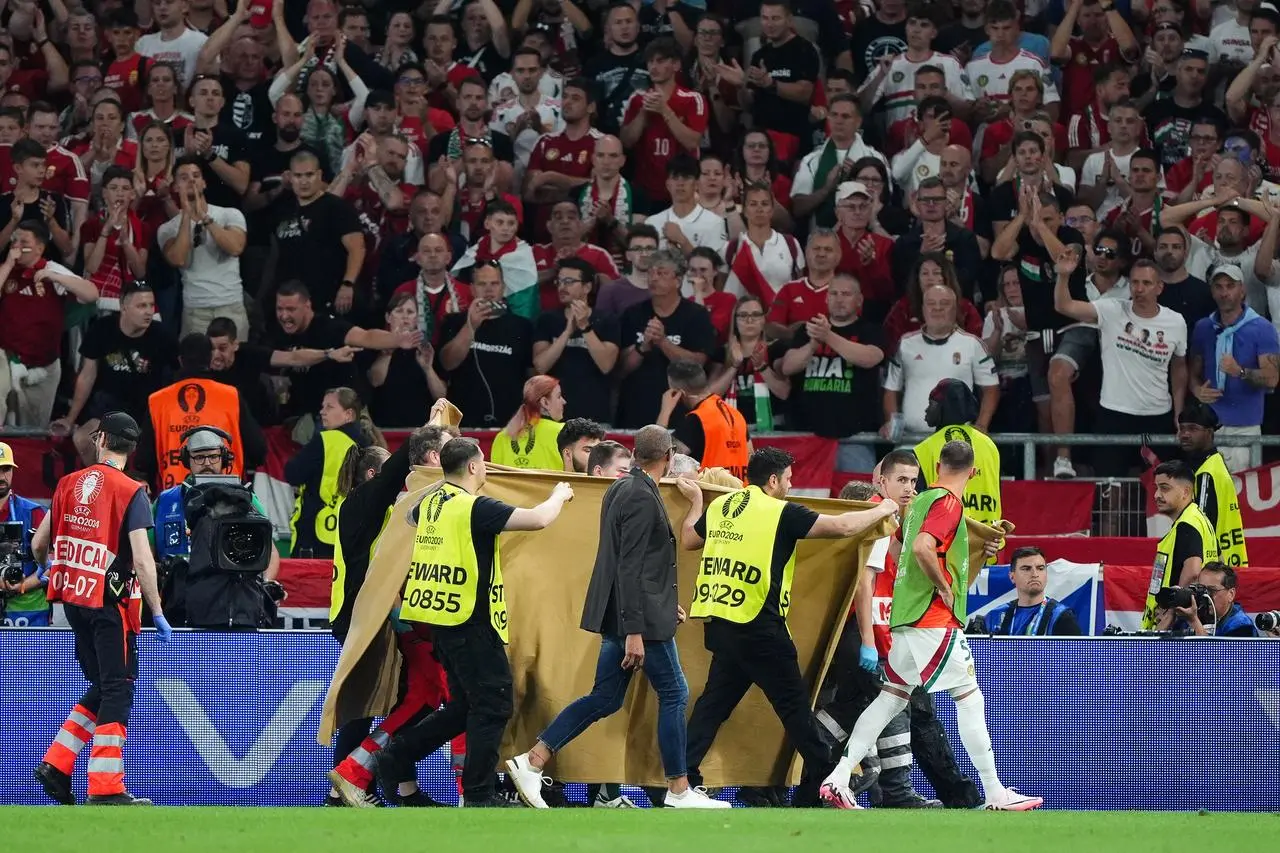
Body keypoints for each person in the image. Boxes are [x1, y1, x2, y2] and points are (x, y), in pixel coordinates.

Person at [506, 425, 729, 810]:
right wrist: (635, 630)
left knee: (605, 697)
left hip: (630, 614)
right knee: (674, 693)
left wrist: (657, 605)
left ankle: (532, 760)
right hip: (634, 622)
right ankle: (678, 790)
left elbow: (633, 564)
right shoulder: (641, 495)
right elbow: (629, 567)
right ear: (669, 457)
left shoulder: (621, 489)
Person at [821, 440, 1043, 813]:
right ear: (973, 473)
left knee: (889, 700)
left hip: (904, 618)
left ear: (936, 465)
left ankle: (839, 778)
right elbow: (924, 548)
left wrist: (975, 545)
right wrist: (943, 587)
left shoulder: (917, 504)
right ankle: (995, 792)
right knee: (970, 698)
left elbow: (905, 549)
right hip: (932, 619)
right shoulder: (947, 503)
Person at [675, 447, 899, 795]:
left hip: (720, 623)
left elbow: (689, 538)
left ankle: (682, 778)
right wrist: (882, 508)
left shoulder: (722, 506)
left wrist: (694, 505)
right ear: (774, 480)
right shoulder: (780, 512)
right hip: (760, 627)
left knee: (713, 706)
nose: (792, 487)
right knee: (795, 709)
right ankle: (829, 780)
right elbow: (841, 526)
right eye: (790, 480)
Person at [372, 438, 575, 808]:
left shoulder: (430, 504)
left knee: (465, 707)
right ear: (471, 467)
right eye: (482, 463)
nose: (485, 468)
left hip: (441, 621)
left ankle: (396, 757)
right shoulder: (473, 507)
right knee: (494, 705)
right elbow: (539, 519)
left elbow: (407, 515)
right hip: (470, 620)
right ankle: (480, 793)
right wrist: (559, 494)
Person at [32, 412, 170, 807]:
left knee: (104, 686)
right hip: (111, 604)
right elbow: (142, 561)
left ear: (101, 439)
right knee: (117, 689)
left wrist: (47, 570)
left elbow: (40, 543)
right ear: (133, 447)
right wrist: (157, 611)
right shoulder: (131, 490)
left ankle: (56, 764)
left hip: (73, 600)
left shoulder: (66, 484)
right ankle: (106, 786)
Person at [327, 404, 458, 809]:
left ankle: (393, 787)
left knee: (406, 698)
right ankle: (347, 783)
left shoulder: (386, 512)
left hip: (390, 616)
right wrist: (431, 427)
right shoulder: (362, 506)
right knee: (365, 706)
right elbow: (399, 469)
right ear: (373, 476)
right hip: (375, 617)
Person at [1053, 247, 1188, 477]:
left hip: (1157, 415)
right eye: (1135, 282)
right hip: (1113, 414)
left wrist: (1179, 412)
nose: (1139, 289)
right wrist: (1063, 275)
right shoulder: (1112, 309)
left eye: (1146, 283)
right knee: (1110, 489)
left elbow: (1179, 368)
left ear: (1159, 287)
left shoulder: (1176, 321)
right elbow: (1064, 306)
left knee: (1161, 491)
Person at [0, 219, 98, 428]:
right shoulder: (6, 269)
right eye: (14, 240)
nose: (16, 246)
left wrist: (55, 277)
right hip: (7, 360)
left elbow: (91, 294)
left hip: (43, 367)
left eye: (23, 241)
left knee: (33, 430)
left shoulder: (51, 269)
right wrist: (8, 263)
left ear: (40, 248)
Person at [151, 427, 279, 584]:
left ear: (224, 458)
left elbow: (270, 551)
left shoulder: (245, 499)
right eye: (199, 457)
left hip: (230, 595)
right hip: (176, 597)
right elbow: (145, 553)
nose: (206, 463)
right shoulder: (164, 501)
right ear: (186, 460)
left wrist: (265, 584)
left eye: (213, 457)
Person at [1188, 264, 1280, 473]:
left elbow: (1273, 378)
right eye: (1218, 287)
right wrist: (1196, 390)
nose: (1224, 292)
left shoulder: (1262, 328)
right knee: (1205, 496)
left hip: (1244, 426)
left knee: (1239, 499)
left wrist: (1240, 372)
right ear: (1212, 291)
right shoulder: (1203, 327)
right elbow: (1193, 372)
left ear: (1242, 290)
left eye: (1230, 286)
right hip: (1208, 426)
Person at [145, 333, 264, 490]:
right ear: (210, 358)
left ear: (180, 360)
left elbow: (144, 461)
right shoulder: (231, 396)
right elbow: (258, 450)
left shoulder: (157, 401)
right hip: (227, 495)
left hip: (175, 498)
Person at [285, 387, 383, 558]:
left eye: (329, 407)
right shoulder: (369, 445)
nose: (322, 412)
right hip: (352, 532)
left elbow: (293, 473)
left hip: (317, 535)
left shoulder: (324, 440)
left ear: (349, 414)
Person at [914, 379, 1002, 538]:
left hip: (946, 543)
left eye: (931, 403)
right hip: (989, 541)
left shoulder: (925, 448)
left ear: (943, 407)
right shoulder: (989, 445)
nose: (927, 410)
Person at [1145, 459, 1221, 629]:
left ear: (1186, 492)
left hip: (1180, 628)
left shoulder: (1187, 525)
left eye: (1164, 488)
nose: (1157, 495)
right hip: (1197, 623)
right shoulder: (1201, 519)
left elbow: (1193, 572)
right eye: (1157, 488)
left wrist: (1169, 616)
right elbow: (1219, 561)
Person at [1176, 403, 1248, 568]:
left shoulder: (1206, 473)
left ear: (1209, 433)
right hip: (1223, 563)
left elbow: (1199, 525)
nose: (1185, 434)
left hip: (1211, 566)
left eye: (1193, 429)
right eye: (1182, 428)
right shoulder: (1213, 463)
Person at [658, 359, 750, 480]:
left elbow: (660, 459)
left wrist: (664, 412)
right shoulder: (736, 414)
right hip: (741, 494)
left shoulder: (696, 420)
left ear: (678, 392)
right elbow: (750, 455)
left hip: (712, 495)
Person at [972, 546, 1082, 636]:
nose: (1035, 574)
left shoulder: (1061, 616)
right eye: (1026, 569)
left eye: (1040, 568)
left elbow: (1075, 661)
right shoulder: (995, 616)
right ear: (1012, 577)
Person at [0, 443, 50, 626]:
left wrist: (23, 585)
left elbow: (54, 563)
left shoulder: (35, 513)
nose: (1, 476)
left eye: (6, 469)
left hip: (29, 611)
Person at [491, 376, 567, 470]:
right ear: (545, 402)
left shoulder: (502, 437)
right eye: (559, 396)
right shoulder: (564, 432)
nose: (564, 401)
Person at [1170, 561, 1259, 637]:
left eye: (1211, 590)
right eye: (1201, 589)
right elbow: (1161, 652)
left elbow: (1215, 656)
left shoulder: (1242, 627)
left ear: (1231, 594)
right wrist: (1169, 616)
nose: (1204, 595)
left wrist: (1194, 622)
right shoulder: (1189, 616)